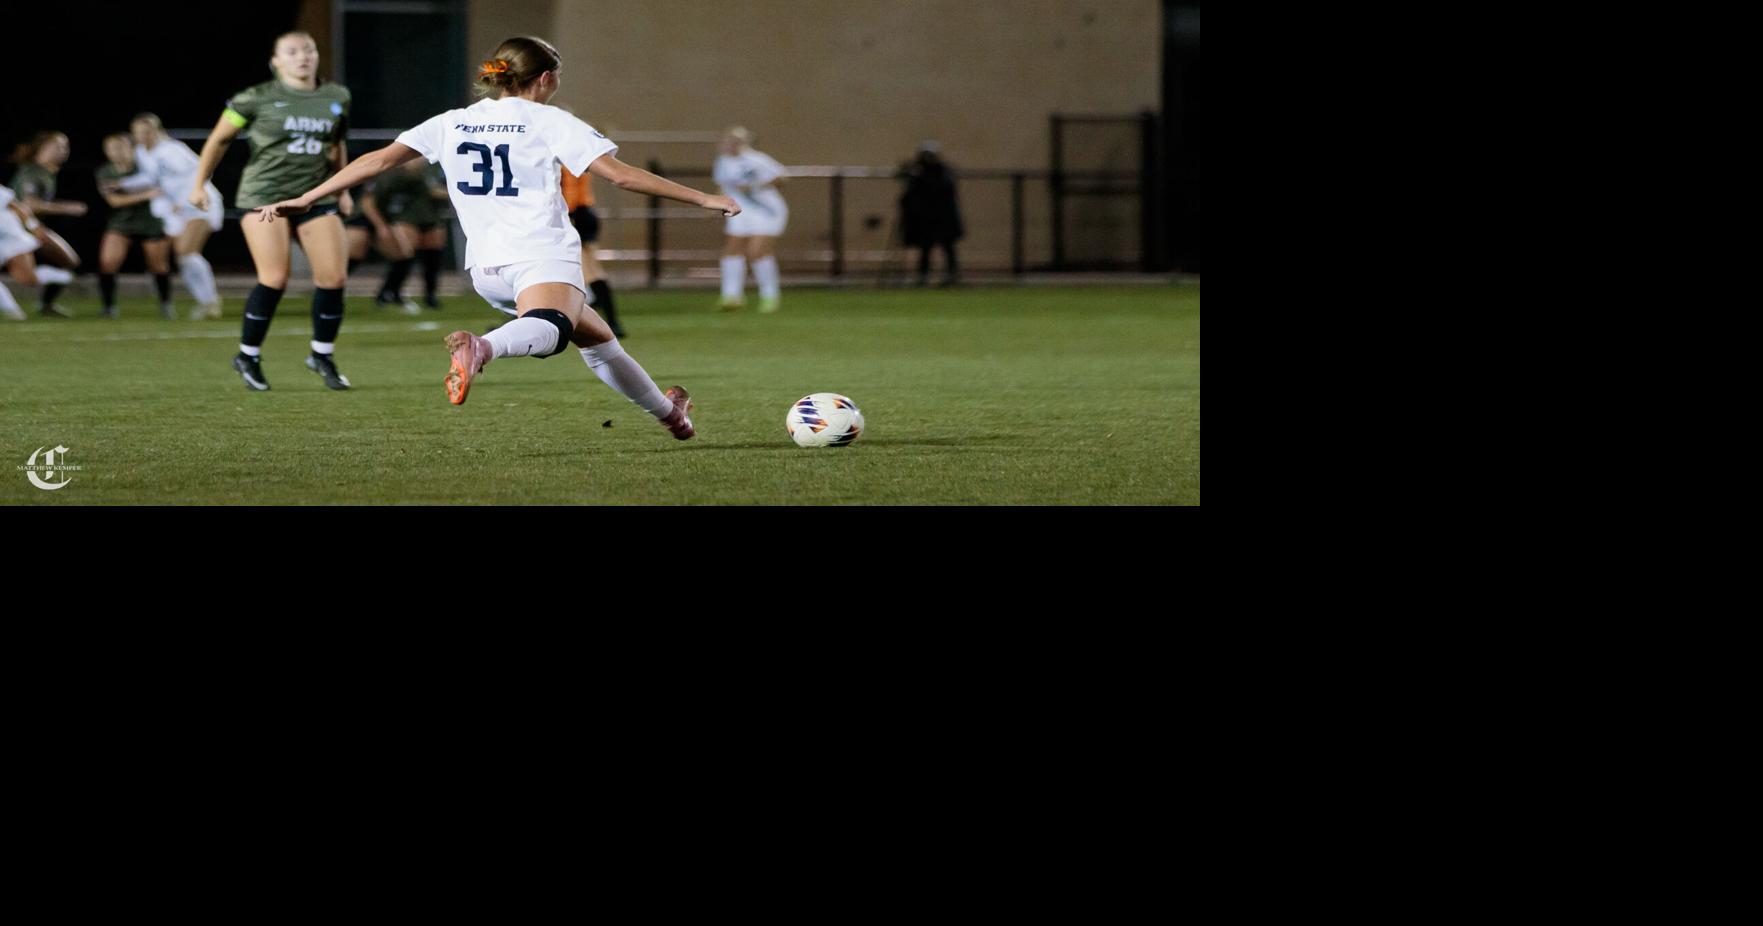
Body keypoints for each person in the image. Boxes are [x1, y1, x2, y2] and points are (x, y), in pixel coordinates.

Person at [254, 35, 739, 441]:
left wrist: (309, 194)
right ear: (546, 78)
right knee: (553, 331)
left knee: (599, 341)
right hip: (540, 254)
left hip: (486, 268)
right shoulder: (550, 119)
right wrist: (702, 199)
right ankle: (482, 348)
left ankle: (671, 415)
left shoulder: (451, 121)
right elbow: (622, 176)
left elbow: (376, 160)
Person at [190, 30, 356, 391]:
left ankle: (321, 354)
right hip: (264, 196)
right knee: (275, 277)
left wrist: (341, 190)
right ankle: (247, 356)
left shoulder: (336, 96)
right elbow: (219, 140)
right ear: (276, 61)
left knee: (334, 278)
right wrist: (199, 183)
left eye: (309, 50)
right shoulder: (255, 98)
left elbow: (336, 144)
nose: (303, 57)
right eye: (292, 52)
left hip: (315, 196)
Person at [131, 113, 224, 319]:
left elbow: (203, 168)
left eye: (147, 131)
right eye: (138, 132)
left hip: (202, 204)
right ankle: (206, 302)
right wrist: (122, 185)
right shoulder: (141, 153)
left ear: (157, 131)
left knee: (186, 252)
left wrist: (194, 194)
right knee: (184, 258)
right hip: (181, 209)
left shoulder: (172, 149)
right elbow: (151, 179)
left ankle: (211, 302)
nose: (143, 136)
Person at [94, 133, 174, 318]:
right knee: (108, 262)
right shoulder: (106, 172)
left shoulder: (146, 166)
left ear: (131, 148)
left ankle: (166, 305)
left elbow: (163, 187)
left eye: (120, 147)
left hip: (150, 222)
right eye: (112, 148)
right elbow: (114, 201)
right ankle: (108, 307)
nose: (116, 152)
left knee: (159, 266)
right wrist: (145, 195)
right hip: (122, 223)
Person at [7, 131, 83, 317]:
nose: (63, 150)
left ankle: (45, 305)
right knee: (66, 262)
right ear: (42, 148)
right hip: (17, 230)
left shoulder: (45, 172)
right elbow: (29, 204)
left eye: (65, 146)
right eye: (57, 145)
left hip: (23, 229)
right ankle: (44, 305)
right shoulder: (33, 172)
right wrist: (66, 208)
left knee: (64, 263)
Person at [713, 126, 787, 312]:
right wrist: (715, 204)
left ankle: (770, 297)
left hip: (766, 210)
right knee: (731, 250)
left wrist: (756, 186)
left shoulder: (756, 159)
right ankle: (731, 296)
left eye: (733, 141)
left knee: (757, 251)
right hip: (740, 211)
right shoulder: (723, 161)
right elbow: (722, 186)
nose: (729, 144)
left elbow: (782, 177)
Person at [371, 159, 449, 310]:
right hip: (407, 216)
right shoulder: (397, 172)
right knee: (406, 254)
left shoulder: (433, 168)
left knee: (433, 256)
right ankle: (389, 292)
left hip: (431, 215)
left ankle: (430, 296)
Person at [562, 165, 624, 336]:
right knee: (593, 271)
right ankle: (612, 321)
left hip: (574, 215)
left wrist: (568, 215)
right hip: (584, 214)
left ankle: (612, 322)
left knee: (590, 272)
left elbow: (570, 186)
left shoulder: (564, 156)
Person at [900, 140, 963, 287]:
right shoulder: (918, 173)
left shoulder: (943, 172)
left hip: (944, 218)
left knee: (947, 247)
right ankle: (923, 276)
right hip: (925, 219)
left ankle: (951, 275)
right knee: (925, 249)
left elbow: (943, 188)